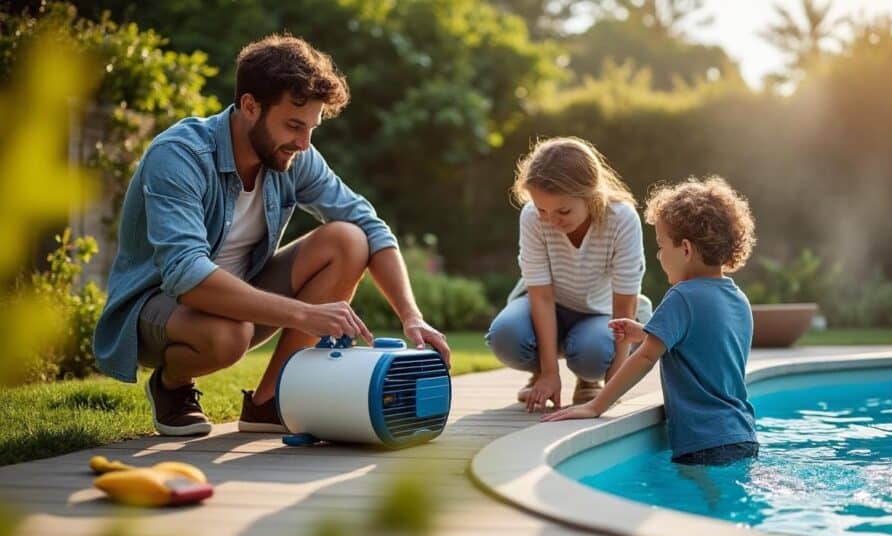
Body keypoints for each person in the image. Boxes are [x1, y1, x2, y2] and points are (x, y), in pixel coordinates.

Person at [93, 34, 450, 437]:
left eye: (311, 129)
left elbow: (370, 224)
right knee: (230, 335)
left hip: (243, 302)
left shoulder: (294, 155)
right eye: (294, 126)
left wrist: (411, 316)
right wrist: (305, 314)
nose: (303, 143)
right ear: (250, 106)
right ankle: (172, 386)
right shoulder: (180, 155)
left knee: (348, 239)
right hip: (158, 307)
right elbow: (185, 275)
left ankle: (270, 402)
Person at [542, 176, 759, 467]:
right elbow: (706, 346)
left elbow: (645, 358)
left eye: (661, 245)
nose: (658, 255)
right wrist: (647, 332)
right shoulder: (738, 298)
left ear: (685, 249)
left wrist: (596, 405)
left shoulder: (682, 296)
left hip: (703, 441)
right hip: (742, 433)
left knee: (701, 506)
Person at [486, 137, 651, 413]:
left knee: (595, 354)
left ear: (591, 195)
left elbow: (624, 304)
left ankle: (588, 380)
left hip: (599, 314)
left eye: (563, 210)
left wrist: (616, 379)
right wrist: (550, 372)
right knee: (506, 336)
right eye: (542, 209)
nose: (550, 220)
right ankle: (540, 374)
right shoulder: (531, 217)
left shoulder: (622, 219)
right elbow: (541, 295)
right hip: (546, 304)